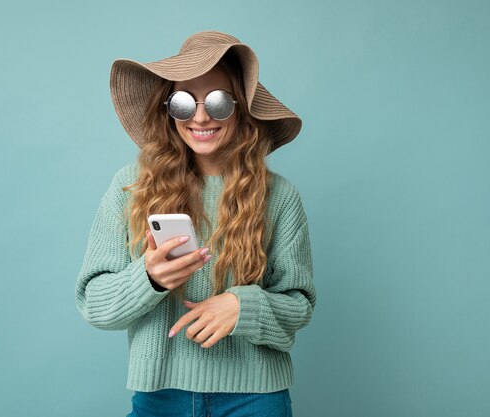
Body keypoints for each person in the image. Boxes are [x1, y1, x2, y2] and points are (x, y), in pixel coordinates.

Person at [75, 31, 316, 417]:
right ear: (168, 108)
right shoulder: (130, 188)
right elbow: (93, 303)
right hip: (159, 398)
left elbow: (299, 304)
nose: (201, 116)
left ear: (241, 106)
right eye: (184, 103)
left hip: (256, 399)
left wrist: (244, 306)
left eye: (218, 102)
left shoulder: (279, 196)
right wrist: (150, 278)